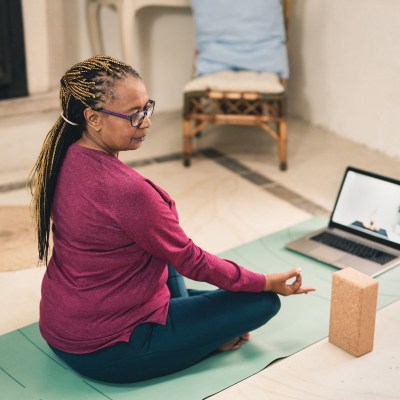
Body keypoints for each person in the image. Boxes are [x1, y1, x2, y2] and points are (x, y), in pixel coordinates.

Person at [29, 55, 315, 384]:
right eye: (135, 115)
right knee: (260, 303)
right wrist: (266, 282)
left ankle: (191, 324)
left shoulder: (61, 157)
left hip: (60, 326)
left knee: (165, 253)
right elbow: (192, 260)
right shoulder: (128, 192)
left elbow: (172, 255)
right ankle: (205, 340)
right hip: (109, 350)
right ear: (93, 119)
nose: (147, 122)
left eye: (146, 108)